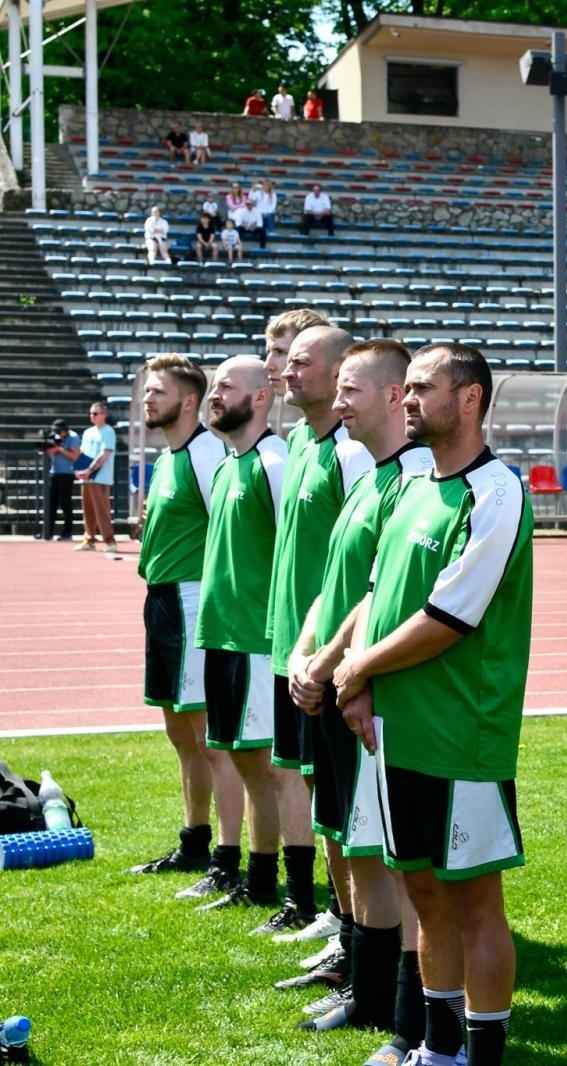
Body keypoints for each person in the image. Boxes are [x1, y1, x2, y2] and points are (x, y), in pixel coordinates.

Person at [333, 343, 533, 1066]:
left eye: (424, 387)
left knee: (476, 904)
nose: (409, 399)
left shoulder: (498, 490)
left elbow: (450, 618)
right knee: (423, 894)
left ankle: (484, 1053)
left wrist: (355, 670)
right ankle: (438, 1047)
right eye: (407, 386)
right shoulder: (414, 487)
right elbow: (381, 598)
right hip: (397, 733)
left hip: (461, 739)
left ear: (470, 398)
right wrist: (358, 684)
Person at [286, 340, 433, 1051]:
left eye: (352, 389)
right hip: (336, 682)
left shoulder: (414, 479)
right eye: (337, 389)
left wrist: (333, 663)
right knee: (350, 843)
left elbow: (380, 595)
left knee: (384, 859)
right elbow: (332, 583)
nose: (339, 401)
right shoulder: (373, 477)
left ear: (397, 395)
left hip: (367, 695)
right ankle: (367, 993)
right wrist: (303, 651)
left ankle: (392, 1007)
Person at [263, 325, 374, 952]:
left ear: (338, 376)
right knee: (312, 782)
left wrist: (332, 650)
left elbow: (359, 569)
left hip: (334, 655)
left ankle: (353, 921)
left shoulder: (349, 452)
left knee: (337, 793)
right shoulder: (302, 441)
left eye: (297, 361)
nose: (283, 371)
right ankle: (338, 915)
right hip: (298, 648)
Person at [127, 355, 247, 887]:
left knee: (207, 736)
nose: (148, 399)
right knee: (180, 729)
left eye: (158, 391)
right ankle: (194, 840)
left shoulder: (204, 453)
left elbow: (225, 529)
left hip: (191, 601)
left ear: (189, 400)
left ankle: (224, 856)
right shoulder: (170, 457)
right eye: (147, 391)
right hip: (162, 600)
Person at [191, 356, 300, 930]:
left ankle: (294, 894)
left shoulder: (274, 462)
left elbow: (296, 550)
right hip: (222, 637)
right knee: (241, 757)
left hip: (259, 639)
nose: (215, 394)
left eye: (226, 386)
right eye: (212, 385)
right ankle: (257, 881)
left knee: (271, 767)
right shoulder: (230, 464)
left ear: (260, 398)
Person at [75, 400, 118, 554]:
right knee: (87, 509)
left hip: (101, 477)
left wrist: (89, 469)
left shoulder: (109, 431)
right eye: (90, 413)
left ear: (104, 415)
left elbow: (105, 454)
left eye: (95, 413)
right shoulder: (88, 432)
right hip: (87, 477)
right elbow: (83, 453)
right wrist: (79, 470)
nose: (92, 416)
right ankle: (89, 538)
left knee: (102, 509)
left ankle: (110, 540)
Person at [38, 418, 79, 540]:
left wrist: (60, 450)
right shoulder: (54, 436)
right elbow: (50, 453)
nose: (58, 434)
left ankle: (67, 531)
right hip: (54, 472)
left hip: (67, 473)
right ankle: (48, 532)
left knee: (66, 503)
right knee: (51, 503)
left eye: (60, 431)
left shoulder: (73, 437)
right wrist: (50, 449)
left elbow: (75, 456)